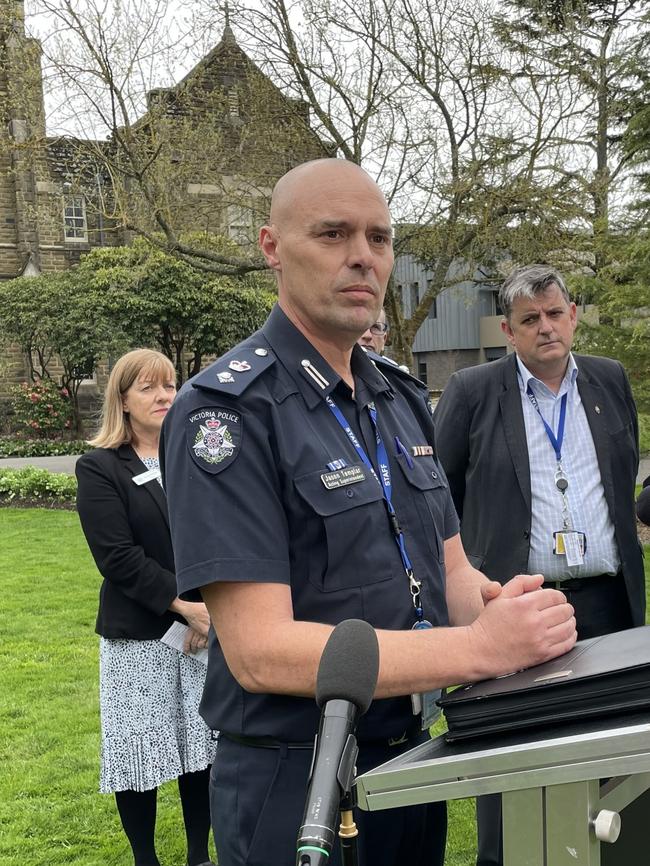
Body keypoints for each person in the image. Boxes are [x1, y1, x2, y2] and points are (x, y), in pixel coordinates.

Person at [160, 159, 576, 866]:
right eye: (332, 233)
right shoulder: (227, 412)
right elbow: (260, 650)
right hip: (297, 778)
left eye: (380, 238)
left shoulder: (400, 396)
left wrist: (509, 610)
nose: (363, 257)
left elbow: (449, 572)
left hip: (414, 757)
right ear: (272, 247)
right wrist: (481, 649)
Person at [433, 264, 645, 866]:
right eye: (530, 319)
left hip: (607, 601)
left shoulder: (608, 380)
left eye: (555, 314)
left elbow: (621, 475)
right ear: (508, 329)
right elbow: (437, 495)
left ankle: (614, 853)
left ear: (573, 316)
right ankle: (505, 857)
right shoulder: (473, 392)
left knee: (613, 745)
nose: (546, 328)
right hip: (514, 604)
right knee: (515, 749)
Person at [75, 349, 217, 866]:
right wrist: (186, 608)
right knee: (141, 753)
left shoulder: (197, 455)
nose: (163, 396)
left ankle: (200, 854)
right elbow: (118, 557)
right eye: (148, 388)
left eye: (170, 385)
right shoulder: (99, 467)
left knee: (201, 747)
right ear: (123, 401)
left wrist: (207, 608)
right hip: (140, 636)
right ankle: (146, 859)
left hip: (206, 628)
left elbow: (218, 535)